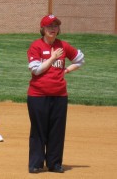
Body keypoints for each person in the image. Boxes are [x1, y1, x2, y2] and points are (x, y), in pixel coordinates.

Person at [27, 14, 85, 173]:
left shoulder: (63, 46)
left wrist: (66, 69)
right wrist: (52, 58)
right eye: (49, 26)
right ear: (42, 29)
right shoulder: (36, 46)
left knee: (57, 130)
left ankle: (54, 163)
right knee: (39, 130)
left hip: (59, 95)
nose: (53, 29)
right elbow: (36, 70)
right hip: (37, 95)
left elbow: (80, 60)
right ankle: (36, 164)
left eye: (55, 26)